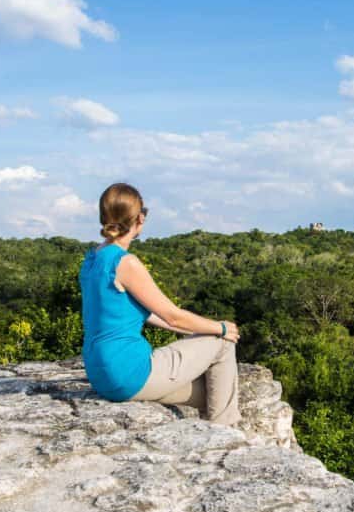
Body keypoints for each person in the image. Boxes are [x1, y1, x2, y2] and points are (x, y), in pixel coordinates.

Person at [79, 182, 242, 426]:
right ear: (139, 219)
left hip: (103, 375)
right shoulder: (125, 263)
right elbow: (172, 315)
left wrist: (196, 330)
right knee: (223, 344)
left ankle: (216, 427)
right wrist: (221, 328)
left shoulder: (92, 259)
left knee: (211, 393)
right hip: (130, 370)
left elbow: (145, 314)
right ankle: (225, 434)